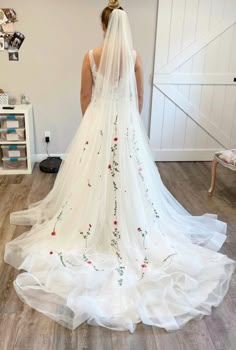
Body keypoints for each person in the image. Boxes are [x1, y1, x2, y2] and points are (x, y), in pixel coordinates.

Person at [4, 1, 236, 333]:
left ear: (103, 26)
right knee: (132, 181)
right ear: (123, 25)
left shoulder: (90, 56)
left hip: (97, 123)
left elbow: (85, 95)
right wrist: (128, 123)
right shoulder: (135, 56)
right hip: (126, 124)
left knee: (91, 180)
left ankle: (93, 231)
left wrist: (93, 127)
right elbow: (139, 98)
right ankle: (132, 229)